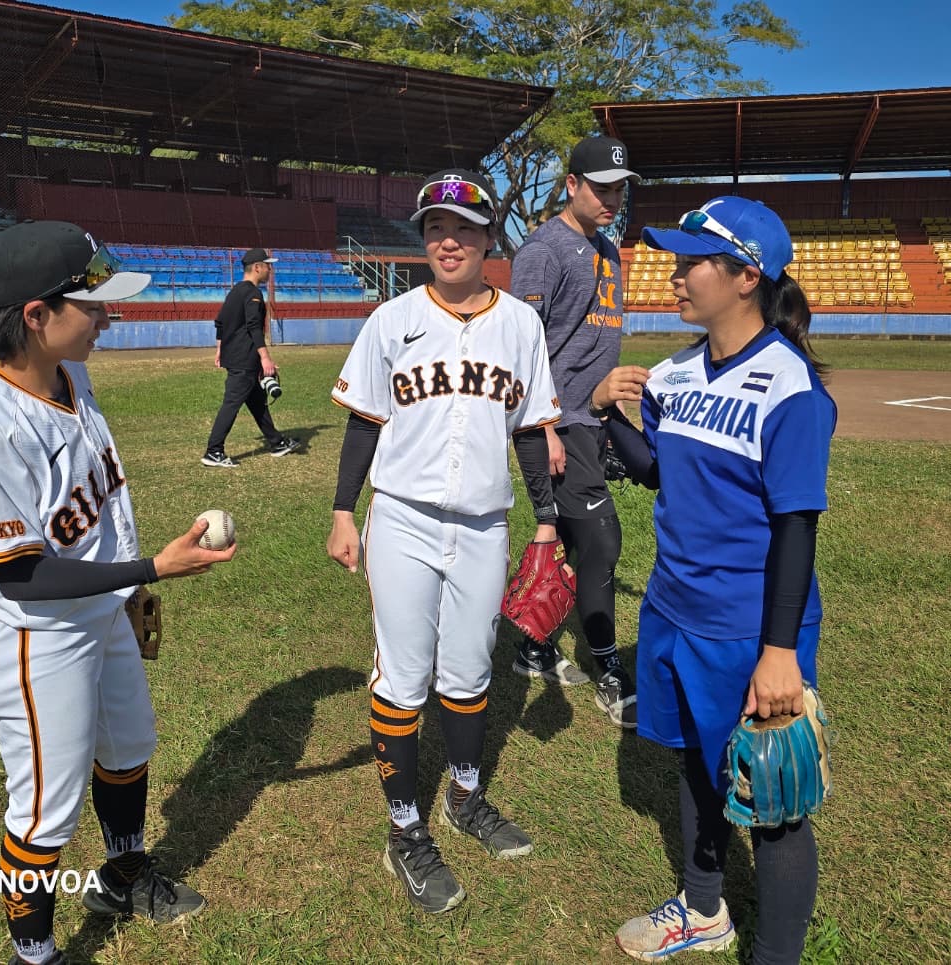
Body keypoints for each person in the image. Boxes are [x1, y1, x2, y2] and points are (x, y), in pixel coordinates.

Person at [0, 220, 237, 965]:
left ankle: (123, 875)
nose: (108, 315)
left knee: (130, 745)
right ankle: (33, 955)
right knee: (45, 810)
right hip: (40, 638)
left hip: (100, 612)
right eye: (92, 303)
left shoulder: (71, 373)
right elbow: (20, 574)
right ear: (35, 316)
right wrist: (150, 571)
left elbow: (95, 511)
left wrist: (129, 586)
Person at [594, 197, 836, 962]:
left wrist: (779, 653)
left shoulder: (790, 387)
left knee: (772, 796)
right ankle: (704, 911)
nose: (674, 274)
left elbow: (798, 527)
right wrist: (608, 417)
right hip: (672, 608)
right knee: (697, 764)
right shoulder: (675, 371)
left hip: (748, 628)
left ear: (744, 276)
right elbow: (658, 471)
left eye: (692, 260)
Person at [326, 169, 563, 914]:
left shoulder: (521, 324)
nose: (448, 240)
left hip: (485, 523)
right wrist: (342, 511)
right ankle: (405, 829)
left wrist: (548, 518)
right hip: (401, 517)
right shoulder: (391, 319)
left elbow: (529, 431)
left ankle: (464, 798)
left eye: (462, 228)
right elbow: (365, 419)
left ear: (489, 239)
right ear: (423, 240)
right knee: (402, 676)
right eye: (434, 228)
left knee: (466, 671)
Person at [507, 134, 641, 727]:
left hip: (594, 417)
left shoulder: (608, 250)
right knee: (601, 544)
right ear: (572, 185)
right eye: (602, 187)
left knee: (568, 541)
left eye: (620, 189)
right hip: (559, 420)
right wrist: (545, 425)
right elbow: (520, 348)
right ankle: (609, 668)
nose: (613, 198)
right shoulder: (544, 251)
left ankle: (533, 648)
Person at [201, 247, 300, 467]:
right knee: (231, 404)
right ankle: (213, 451)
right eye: (268, 266)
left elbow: (220, 323)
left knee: (257, 402)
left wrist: (220, 350)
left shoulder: (235, 291)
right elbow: (254, 327)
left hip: (236, 356)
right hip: (243, 359)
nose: (270, 270)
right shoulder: (253, 294)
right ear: (257, 267)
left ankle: (277, 442)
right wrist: (265, 358)